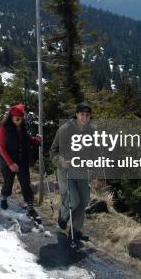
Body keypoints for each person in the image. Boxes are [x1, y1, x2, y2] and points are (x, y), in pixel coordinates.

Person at [49, 102, 93, 248]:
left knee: (84, 200)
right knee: (73, 199)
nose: (84, 117)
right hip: (65, 171)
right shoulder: (65, 129)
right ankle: (62, 216)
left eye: (87, 115)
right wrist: (60, 161)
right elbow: (53, 151)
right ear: (76, 114)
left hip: (81, 171)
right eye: (82, 114)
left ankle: (75, 231)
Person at [0, 104, 42, 223]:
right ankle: (4, 198)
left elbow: (26, 139)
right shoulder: (4, 127)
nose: (20, 121)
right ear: (11, 117)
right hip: (7, 160)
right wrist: (10, 163)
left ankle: (31, 208)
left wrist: (35, 140)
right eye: (17, 119)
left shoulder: (21, 126)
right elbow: (1, 147)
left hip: (22, 159)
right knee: (8, 182)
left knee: (26, 183)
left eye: (21, 119)